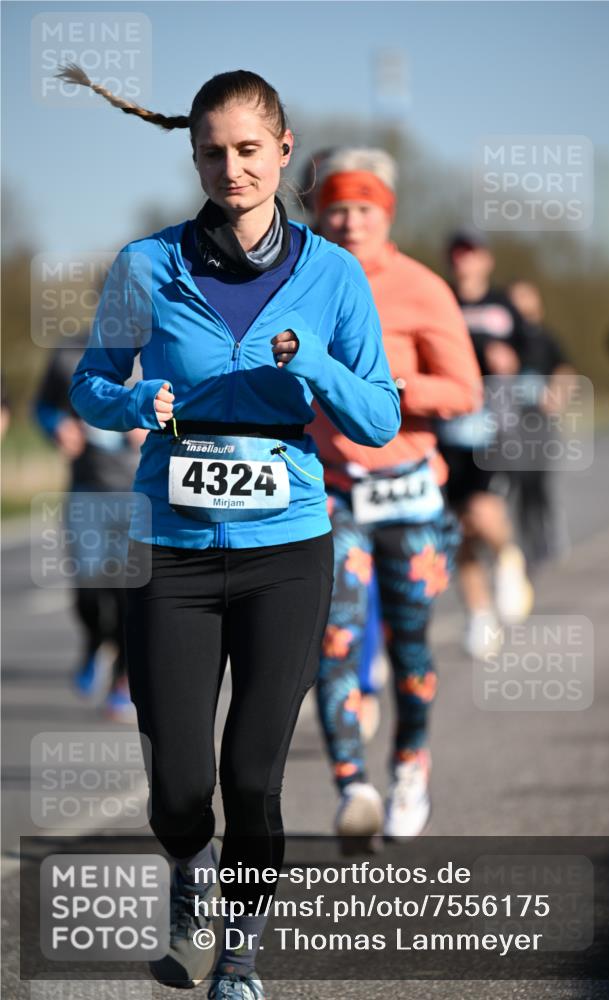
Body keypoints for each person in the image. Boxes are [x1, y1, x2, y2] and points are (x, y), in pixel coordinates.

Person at [58, 64, 400, 999]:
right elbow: (88, 382)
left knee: (251, 775)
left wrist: (319, 366)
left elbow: (378, 418)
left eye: (249, 149)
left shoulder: (332, 275)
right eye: (212, 151)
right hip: (169, 549)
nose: (230, 167)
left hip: (285, 552)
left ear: (284, 153)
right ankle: (186, 876)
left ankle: (238, 951)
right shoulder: (145, 265)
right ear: (195, 155)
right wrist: (132, 399)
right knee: (179, 783)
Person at [309, 149, 481, 846]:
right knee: (333, 642)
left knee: (411, 650)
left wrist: (386, 390)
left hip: (409, 496)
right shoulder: (300, 284)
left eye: (363, 209)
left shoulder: (421, 288)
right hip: (331, 493)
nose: (349, 222)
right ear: (319, 214)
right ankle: (352, 786)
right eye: (336, 209)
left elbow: (464, 391)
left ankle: (410, 765)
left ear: (386, 215)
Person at [436, 228, 534, 660]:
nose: (465, 261)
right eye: (457, 253)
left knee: (482, 511)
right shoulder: (440, 300)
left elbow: (537, 354)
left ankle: (509, 557)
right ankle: (479, 613)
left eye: (472, 253)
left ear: (485, 259)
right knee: (459, 529)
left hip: (495, 427)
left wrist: (515, 364)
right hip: (447, 428)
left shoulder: (504, 305)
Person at [34, 338, 144, 722]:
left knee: (133, 593)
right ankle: (96, 640)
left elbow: (198, 404)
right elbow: (42, 407)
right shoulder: (68, 352)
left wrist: (164, 426)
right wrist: (57, 425)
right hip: (88, 491)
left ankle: (123, 680)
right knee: (89, 590)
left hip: (142, 494)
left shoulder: (165, 347)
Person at [507, 280, 576, 569]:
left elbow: (565, 370)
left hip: (540, 422)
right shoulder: (504, 339)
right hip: (511, 422)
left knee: (541, 483)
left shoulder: (546, 338)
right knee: (517, 484)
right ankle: (524, 542)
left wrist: (557, 396)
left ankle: (550, 537)